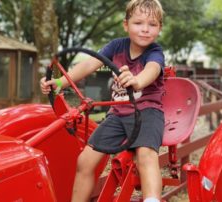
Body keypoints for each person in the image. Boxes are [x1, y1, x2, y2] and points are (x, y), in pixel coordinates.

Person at [40, 0, 165, 201]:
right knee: (85, 161)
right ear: (126, 25)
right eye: (138, 23)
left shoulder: (154, 53)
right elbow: (90, 63)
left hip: (147, 113)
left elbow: (153, 70)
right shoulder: (116, 46)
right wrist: (61, 82)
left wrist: (137, 81)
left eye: (152, 24)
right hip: (117, 114)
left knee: (146, 156)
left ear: (159, 28)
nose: (145, 30)